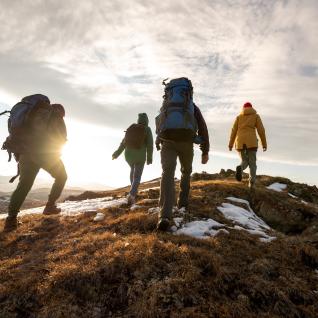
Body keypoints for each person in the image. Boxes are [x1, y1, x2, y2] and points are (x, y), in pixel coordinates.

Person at [3, 100, 68, 233]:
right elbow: (61, 138)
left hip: (25, 154)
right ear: (60, 112)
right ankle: (50, 206)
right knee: (62, 176)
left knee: (24, 185)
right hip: (45, 153)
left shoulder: (30, 115)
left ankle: (10, 220)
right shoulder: (55, 116)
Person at [156, 78, 210, 231]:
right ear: (189, 93)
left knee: (167, 173)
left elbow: (160, 123)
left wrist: (157, 141)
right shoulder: (191, 107)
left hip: (167, 141)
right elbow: (203, 128)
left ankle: (164, 215)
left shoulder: (167, 105)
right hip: (186, 143)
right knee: (186, 172)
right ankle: (183, 204)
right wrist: (205, 151)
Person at [112, 113, 153, 205]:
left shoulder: (132, 128)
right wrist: (149, 158)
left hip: (128, 155)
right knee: (137, 176)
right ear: (146, 121)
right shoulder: (147, 129)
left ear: (138, 120)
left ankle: (133, 191)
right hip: (140, 156)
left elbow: (123, 143)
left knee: (132, 171)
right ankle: (132, 194)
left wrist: (116, 154)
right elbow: (150, 145)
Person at [228, 102, 267, 188]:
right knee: (252, 163)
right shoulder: (256, 116)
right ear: (251, 108)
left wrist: (230, 144)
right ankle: (252, 183)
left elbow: (233, 131)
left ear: (243, 108)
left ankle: (240, 168)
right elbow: (261, 130)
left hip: (240, 142)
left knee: (244, 161)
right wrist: (264, 144)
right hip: (251, 142)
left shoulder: (238, 117)